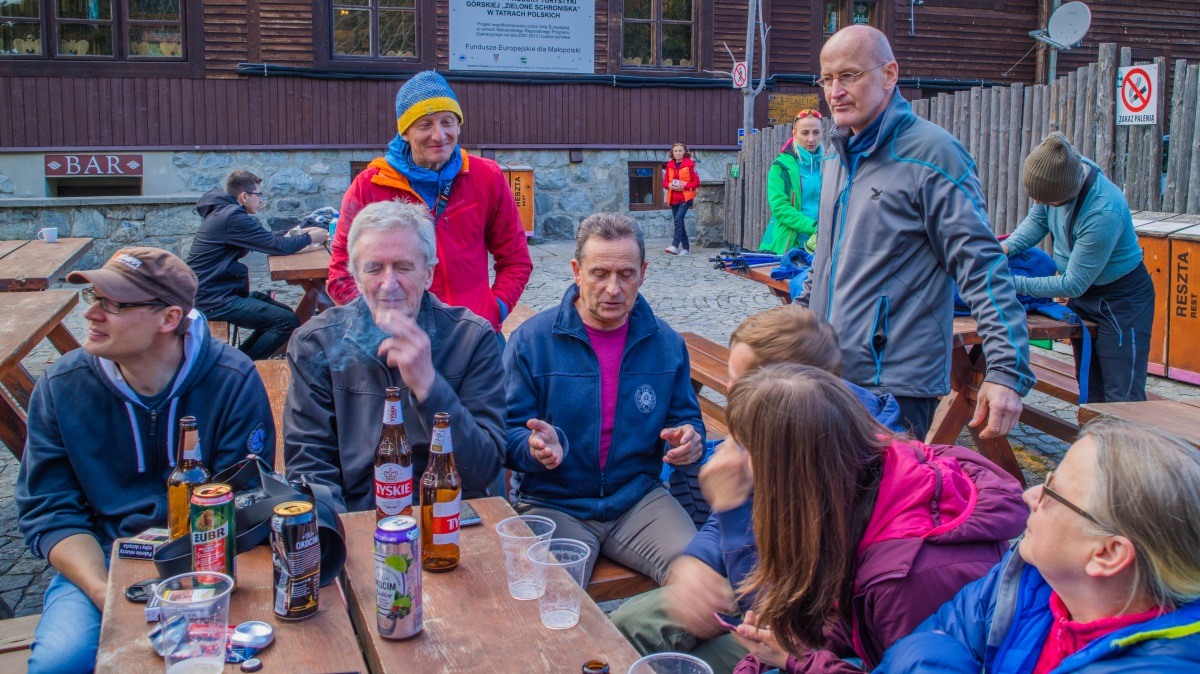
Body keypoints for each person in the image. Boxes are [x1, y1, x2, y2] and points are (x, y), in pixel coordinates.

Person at [16, 247, 274, 674]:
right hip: (103, 559)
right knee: (60, 664)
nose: (91, 314)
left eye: (113, 304)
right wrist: (103, 592)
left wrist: (197, 589)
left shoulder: (231, 378)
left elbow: (245, 497)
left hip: (212, 558)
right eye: (94, 299)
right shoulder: (62, 386)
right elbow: (50, 511)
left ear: (169, 318)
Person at [612, 304, 904, 673]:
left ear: (793, 390)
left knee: (682, 664)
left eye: (742, 380)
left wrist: (730, 508)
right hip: (758, 587)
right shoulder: (773, 426)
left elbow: (782, 602)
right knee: (627, 624)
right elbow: (729, 530)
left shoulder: (850, 462)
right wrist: (699, 562)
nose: (729, 389)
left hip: (815, 630)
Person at [702, 364, 1027, 674]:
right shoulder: (863, 477)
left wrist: (794, 659)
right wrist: (781, 648)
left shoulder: (906, 578)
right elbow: (845, 613)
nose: (729, 461)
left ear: (789, 472)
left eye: (743, 449)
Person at [799, 25, 1034, 440]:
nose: (835, 91)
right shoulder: (837, 155)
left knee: (881, 487)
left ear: (889, 74)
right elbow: (827, 259)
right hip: (828, 371)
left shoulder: (934, 154)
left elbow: (981, 265)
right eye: (827, 78)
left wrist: (1006, 368)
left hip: (893, 386)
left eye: (849, 75)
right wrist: (795, 325)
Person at [877, 419, 1200, 672]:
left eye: (1052, 493)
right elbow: (935, 635)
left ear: (1107, 554)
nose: (1030, 495)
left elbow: (923, 646)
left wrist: (926, 654)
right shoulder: (1025, 580)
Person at [503, 212, 704, 585]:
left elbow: (687, 420)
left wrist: (689, 440)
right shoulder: (532, 341)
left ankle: (648, 627)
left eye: (626, 274)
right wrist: (533, 448)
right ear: (576, 271)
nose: (613, 288)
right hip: (554, 503)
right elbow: (504, 432)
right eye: (599, 274)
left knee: (702, 578)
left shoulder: (666, 344)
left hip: (638, 500)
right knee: (550, 595)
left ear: (643, 273)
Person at [285, 200, 505, 512]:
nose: (389, 284)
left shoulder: (471, 337)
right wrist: (347, 531)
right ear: (356, 277)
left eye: (403, 267)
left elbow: (482, 471)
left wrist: (430, 387)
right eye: (374, 268)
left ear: (428, 274)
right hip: (357, 517)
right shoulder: (316, 342)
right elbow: (311, 469)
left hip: (447, 516)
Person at [326, 70, 532, 333]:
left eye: (447, 122)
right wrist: (379, 327)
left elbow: (516, 259)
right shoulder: (369, 187)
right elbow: (341, 275)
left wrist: (495, 308)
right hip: (399, 337)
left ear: (459, 125)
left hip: (473, 332)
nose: (439, 135)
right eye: (425, 125)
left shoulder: (486, 176)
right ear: (405, 132)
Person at [1003, 132, 1153, 403]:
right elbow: (1038, 219)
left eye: (1046, 200)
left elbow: (1072, 284)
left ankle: (1125, 433)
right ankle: (1092, 432)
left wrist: (1010, 282)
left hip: (1121, 301)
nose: (1038, 203)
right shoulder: (1063, 170)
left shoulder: (1104, 211)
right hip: (1086, 296)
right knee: (1089, 387)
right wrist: (1005, 248)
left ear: (1068, 192)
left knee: (1122, 396)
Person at [188, 169, 330, 360]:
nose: (261, 200)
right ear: (244, 196)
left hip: (216, 291)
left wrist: (300, 234)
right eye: (258, 194)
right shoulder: (232, 217)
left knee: (285, 314)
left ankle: (243, 358)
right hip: (214, 299)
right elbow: (278, 246)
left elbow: (267, 239)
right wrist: (310, 238)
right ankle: (240, 364)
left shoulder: (225, 212)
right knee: (286, 322)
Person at [760, 110, 826, 255]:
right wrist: (815, 227)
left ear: (822, 132)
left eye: (816, 132)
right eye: (805, 133)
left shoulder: (832, 164)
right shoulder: (780, 166)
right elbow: (780, 207)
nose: (811, 139)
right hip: (788, 245)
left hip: (824, 245)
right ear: (794, 133)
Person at [663, 142, 700, 256]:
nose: (678, 153)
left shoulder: (690, 165)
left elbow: (696, 182)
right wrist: (669, 185)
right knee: (679, 222)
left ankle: (674, 245)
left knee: (678, 219)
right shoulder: (669, 165)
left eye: (680, 151)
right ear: (672, 153)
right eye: (676, 151)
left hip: (685, 197)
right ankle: (686, 249)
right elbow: (665, 182)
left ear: (684, 152)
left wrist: (684, 186)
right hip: (673, 198)